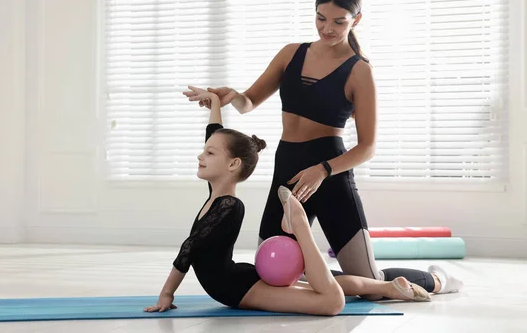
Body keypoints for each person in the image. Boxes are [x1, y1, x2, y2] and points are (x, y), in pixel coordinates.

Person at [195, 0, 463, 298]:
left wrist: (322, 170)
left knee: (371, 283)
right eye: (321, 18)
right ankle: (322, 274)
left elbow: (368, 147)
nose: (328, 28)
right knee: (274, 270)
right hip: (289, 170)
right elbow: (249, 101)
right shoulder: (291, 54)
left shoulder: (359, 71)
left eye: (339, 21)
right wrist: (230, 96)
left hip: (331, 174)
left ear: (356, 20)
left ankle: (436, 280)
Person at [145, 86, 431, 316]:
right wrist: (215, 103)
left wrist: (167, 294)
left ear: (232, 165)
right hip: (241, 278)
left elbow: (189, 249)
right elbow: (215, 136)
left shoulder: (229, 206)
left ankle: (300, 225)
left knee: (329, 303)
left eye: (209, 154)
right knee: (311, 286)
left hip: (239, 290)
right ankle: (389, 288)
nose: (200, 156)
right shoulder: (216, 195)